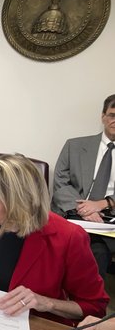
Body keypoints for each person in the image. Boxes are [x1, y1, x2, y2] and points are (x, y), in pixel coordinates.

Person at [0, 154, 108, 325]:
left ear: (18, 204)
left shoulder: (68, 237)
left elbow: (94, 306)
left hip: (31, 329)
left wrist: (46, 303)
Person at [52, 94, 115, 278]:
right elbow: (60, 182)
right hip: (74, 213)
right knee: (74, 245)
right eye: (112, 115)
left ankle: (88, 304)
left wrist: (103, 204)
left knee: (97, 252)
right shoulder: (75, 146)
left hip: (110, 218)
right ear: (103, 116)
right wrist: (84, 209)